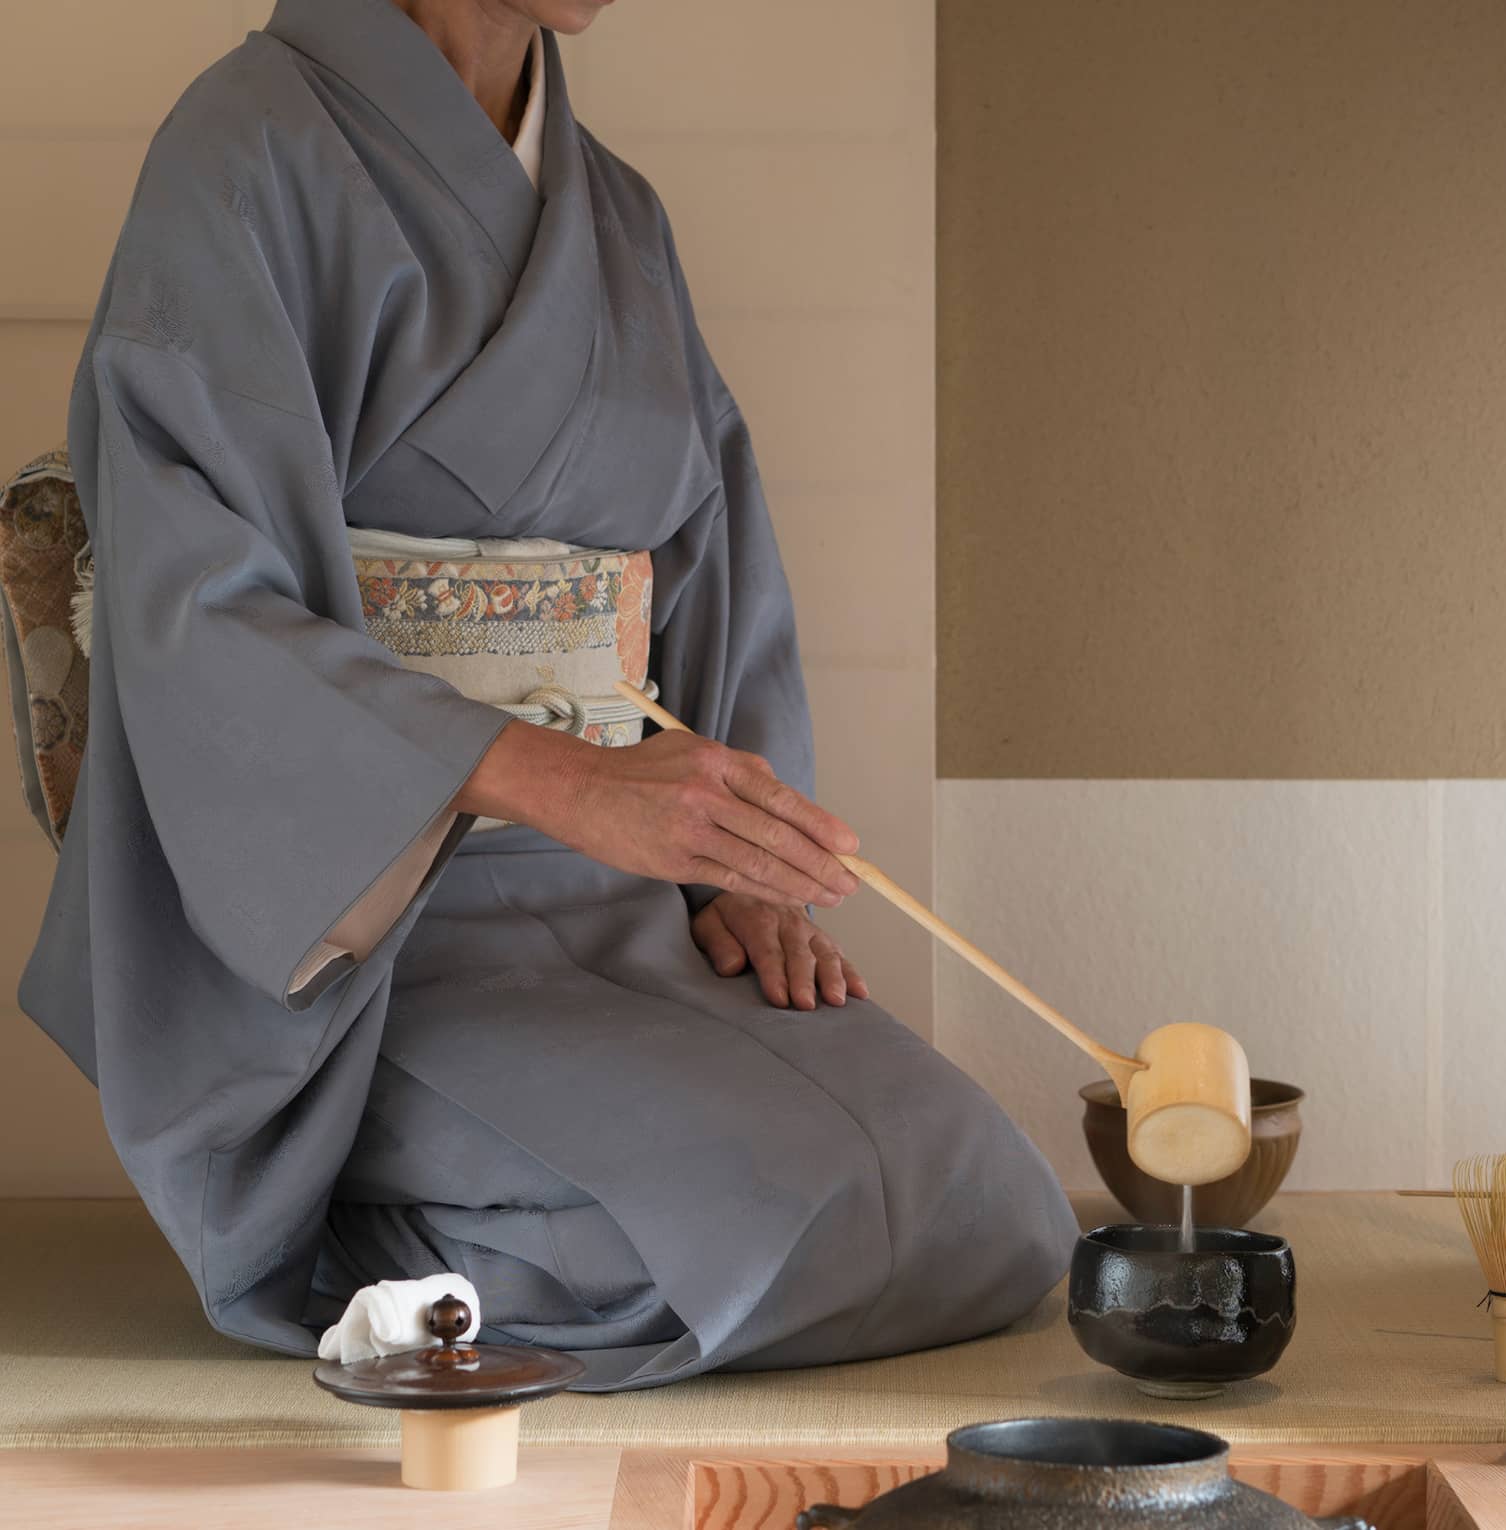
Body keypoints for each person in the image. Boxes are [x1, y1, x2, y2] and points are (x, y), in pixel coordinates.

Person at [18, 0, 1076, 1390]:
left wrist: (735, 869)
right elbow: (191, 612)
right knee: (746, 1215)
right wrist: (558, 777)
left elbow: (710, 567)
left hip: (621, 909)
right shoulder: (243, 152)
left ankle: (477, 1236)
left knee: (988, 1198)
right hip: (384, 938)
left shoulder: (616, 215)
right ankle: (340, 1223)